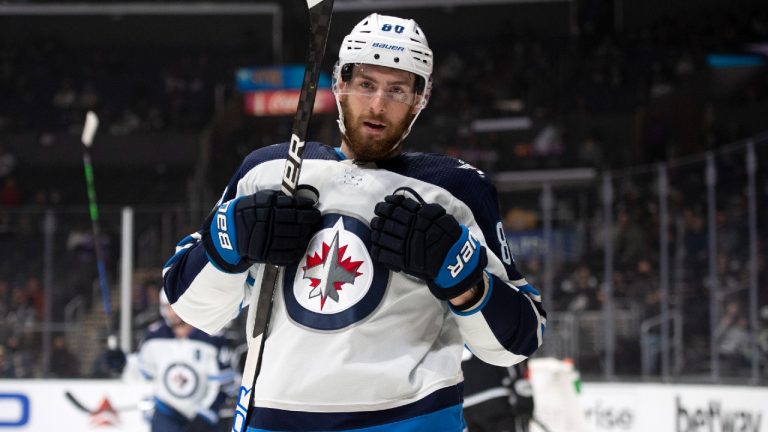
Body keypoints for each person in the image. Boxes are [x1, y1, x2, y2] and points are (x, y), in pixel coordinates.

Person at [163, 13, 546, 432]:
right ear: (339, 83)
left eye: (397, 89)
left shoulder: (455, 189)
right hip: (274, 421)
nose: (379, 105)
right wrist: (231, 238)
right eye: (366, 84)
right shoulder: (269, 172)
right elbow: (193, 306)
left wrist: (464, 280)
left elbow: (516, 342)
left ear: (422, 97)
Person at [137, 290, 235, 432]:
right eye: (168, 306)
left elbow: (225, 384)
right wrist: (122, 365)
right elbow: (142, 372)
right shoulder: (154, 336)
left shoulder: (214, 338)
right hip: (166, 415)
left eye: (176, 306)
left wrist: (205, 415)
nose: (172, 312)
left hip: (203, 419)